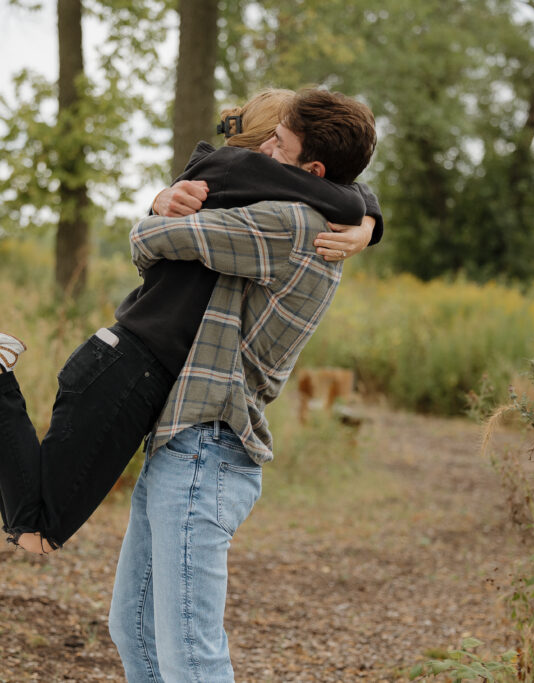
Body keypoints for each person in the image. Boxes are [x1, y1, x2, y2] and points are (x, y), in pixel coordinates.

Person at [0, 88, 382, 559]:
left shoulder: (248, 199)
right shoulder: (239, 172)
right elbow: (338, 196)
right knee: (38, 531)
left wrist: (368, 222)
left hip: (119, 362)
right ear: (262, 146)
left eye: (285, 143)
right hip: (130, 371)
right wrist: (359, 216)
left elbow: (342, 185)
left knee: (33, 527)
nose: (276, 150)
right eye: (273, 139)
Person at [106, 88, 377, 682]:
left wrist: (161, 205)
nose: (259, 152)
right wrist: (369, 217)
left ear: (313, 172)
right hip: (183, 443)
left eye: (276, 144)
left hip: (206, 449)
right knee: (138, 631)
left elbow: (149, 240)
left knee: (191, 656)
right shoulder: (316, 210)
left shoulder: (286, 222)